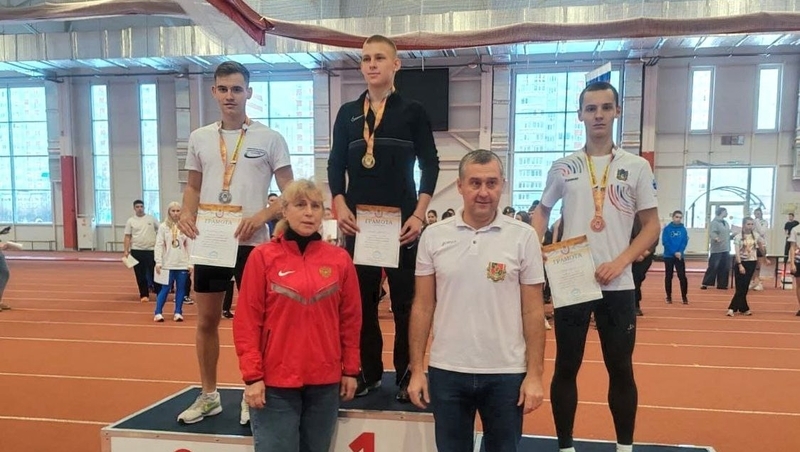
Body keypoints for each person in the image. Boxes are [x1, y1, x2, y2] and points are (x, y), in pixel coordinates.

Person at [531, 81, 660, 452]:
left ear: (617, 111)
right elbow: (542, 211)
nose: (598, 115)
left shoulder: (636, 166)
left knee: (620, 368)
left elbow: (652, 225)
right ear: (580, 116)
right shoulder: (564, 167)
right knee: (566, 366)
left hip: (618, 284)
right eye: (591, 109)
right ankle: (565, 447)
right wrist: (536, 246)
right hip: (572, 280)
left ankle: (625, 447)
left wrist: (620, 261)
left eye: (605, 108)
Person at [176, 61, 294, 425]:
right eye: (224, 89)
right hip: (211, 240)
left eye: (237, 89)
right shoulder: (199, 137)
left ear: (248, 93)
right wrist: (186, 212)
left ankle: (251, 393)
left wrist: (263, 216)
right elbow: (193, 186)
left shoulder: (270, 138)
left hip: (253, 243)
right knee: (206, 320)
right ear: (214, 92)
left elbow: (290, 192)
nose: (230, 96)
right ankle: (209, 395)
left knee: (256, 324)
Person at [408, 149, 546, 452]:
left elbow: (533, 311)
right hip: (447, 370)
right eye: (475, 183)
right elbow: (422, 306)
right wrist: (417, 369)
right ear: (460, 186)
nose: (484, 192)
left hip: (506, 373)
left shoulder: (524, 237)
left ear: (502, 186)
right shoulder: (433, 236)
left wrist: (535, 375)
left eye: (491, 183)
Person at [327, 34, 440, 401]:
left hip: (402, 224)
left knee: (405, 304)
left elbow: (431, 164)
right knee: (360, 303)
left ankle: (408, 374)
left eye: (379, 58)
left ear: (396, 64)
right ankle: (367, 372)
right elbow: (335, 165)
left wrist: (419, 215)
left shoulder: (413, 111)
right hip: (359, 224)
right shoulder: (347, 113)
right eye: (366, 59)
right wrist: (339, 204)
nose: (372, 64)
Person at [233, 180, 361, 452]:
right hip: (275, 385)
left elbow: (350, 320)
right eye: (300, 205)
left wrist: (351, 370)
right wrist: (252, 376)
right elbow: (247, 322)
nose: (309, 212)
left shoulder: (339, 260)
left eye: (315, 206)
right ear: (284, 210)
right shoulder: (262, 257)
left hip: (325, 384)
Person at [154, 202, 192, 322]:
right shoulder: (163, 227)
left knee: (181, 289)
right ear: (169, 212)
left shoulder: (186, 226)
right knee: (165, 289)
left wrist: (191, 263)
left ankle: (178, 312)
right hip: (167, 264)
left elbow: (190, 246)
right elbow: (159, 244)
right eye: (173, 211)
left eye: (178, 211)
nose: (175, 213)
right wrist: (158, 261)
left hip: (182, 264)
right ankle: (158, 312)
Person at [727, 217, 765, 317]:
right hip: (741, 262)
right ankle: (736, 308)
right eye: (748, 224)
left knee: (744, 287)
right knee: (740, 287)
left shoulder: (756, 235)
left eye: (752, 224)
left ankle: (740, 308)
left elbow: (761, 247)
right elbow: (737, 252)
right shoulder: (738, 237)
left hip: (751, 262)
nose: (750, 226)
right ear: (743, 225)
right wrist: (740, 265)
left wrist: (765, 256)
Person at [123, 199, 159, 303]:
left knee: (155, 273)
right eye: (137, 207)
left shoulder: (151, 219)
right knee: (140, 274)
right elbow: (127, 236)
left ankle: (159, 293)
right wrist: (126, 250)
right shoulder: (130, 221)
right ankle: (144, 295)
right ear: (134, 208)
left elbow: (160, 231)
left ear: (144, 207)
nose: (140, 209)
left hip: (151, 250)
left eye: (141, 206)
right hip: (136, 250)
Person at [631, 216, 659, 316]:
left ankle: (635, 305)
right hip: (631, 253)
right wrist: (636, 252)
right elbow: (627, 237)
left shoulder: (650, 218)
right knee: (634, 280)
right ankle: (634, 305)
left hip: (645, 255)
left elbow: (654, 236)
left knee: (637, 279)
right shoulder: (629, 217)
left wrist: (646, 252)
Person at [662, 210, 690, 305]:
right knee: (668, 276)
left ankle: (684, 297)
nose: (678, 219)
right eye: (677, 217)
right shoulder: (667, 229)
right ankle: (668, 296)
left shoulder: (683, 229)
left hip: (679, 256)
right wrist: (674, 252)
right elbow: (665, 242)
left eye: (680, 217)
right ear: (673, 217)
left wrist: (680, 252)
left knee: (682, 276)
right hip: (668, 256)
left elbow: (684, 242)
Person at [701, 207, 732, 290]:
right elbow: (712, 233)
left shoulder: (725, 223)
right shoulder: (714, 223)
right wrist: (716, 238)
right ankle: (706, 283)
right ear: (721, 212)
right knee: (713, 266)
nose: (727, 213)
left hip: (726, 248)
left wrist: (732, 235)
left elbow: (726, 234)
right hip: (717, 249)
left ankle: (722, 284)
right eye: (725, 212)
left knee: (724, 266)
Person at [750, 208, 769, 291]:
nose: (757, 215)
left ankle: (760, 283)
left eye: (758, 213)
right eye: (755, 213)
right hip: (752, 245)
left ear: (761, 213)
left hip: (761, 245)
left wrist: (757, 221)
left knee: (759, 265)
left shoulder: (764, 222)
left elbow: (761, 232)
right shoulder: (752, 222)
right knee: (752, 265)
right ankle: (752, 281)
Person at [787, 222, 800, 316]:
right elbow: (792, 247)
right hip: (798, 260)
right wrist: (792, 263)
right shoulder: (795, 229)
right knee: (799, 284)